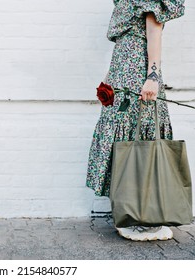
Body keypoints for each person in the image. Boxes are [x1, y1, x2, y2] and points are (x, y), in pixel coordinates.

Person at [85, 0, 185, 241]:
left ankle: (144, 214)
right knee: (127, 144)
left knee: (141, 143)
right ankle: (130, 211)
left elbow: (154, 33)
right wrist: (109, 78)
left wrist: (152, 77)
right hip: (120, 76)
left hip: (137, 77)